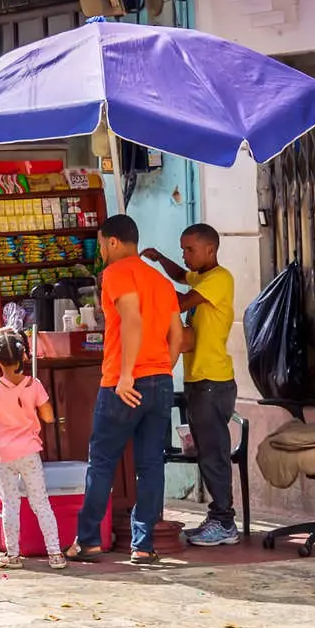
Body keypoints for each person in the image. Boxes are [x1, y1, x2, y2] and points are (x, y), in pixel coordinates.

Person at [68, 214, 188, 565]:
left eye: (102, 243)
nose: (101, 250)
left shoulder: (117, 273)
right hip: (161, 380)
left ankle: (88, 540)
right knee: (151, 464)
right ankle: (143, 544)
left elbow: (132, 319)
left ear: (114, 242)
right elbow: (177, 337)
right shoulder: (160, 281)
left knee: (102, 462)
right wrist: (162, 369)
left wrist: (125, 375)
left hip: (124, 383)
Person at [144, 224, 240, 546]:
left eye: (190, 250)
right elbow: (182, 277)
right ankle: (218, 516)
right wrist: (161, 260)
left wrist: (145, 284)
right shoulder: (200, 275)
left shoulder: (219, 279)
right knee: (206, 452)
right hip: (200, 380)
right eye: (182, 249)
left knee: (214, 453)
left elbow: (181, 302)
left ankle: (225, 522)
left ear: (210, 250)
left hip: (214, 380)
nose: (185, 256)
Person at [0, 335, 65, 571]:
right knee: (41, 503)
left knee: (10, 505)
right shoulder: (34, 384)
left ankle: (13, 555)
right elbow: (48, 416)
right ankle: (55, 554)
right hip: (30, 453)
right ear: (24, 356)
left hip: (4, 457)